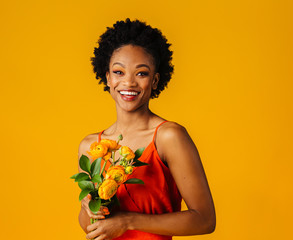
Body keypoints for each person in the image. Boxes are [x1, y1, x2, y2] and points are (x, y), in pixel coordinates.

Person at [77, 18, 216, 240]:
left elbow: (205, 219)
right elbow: (90, 228)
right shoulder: (91, 147)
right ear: (107, 77)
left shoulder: (169, 137)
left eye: (141, 73)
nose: (129, 82)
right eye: (119, 72)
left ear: (155, 80)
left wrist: (127, 221)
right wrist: (89, 207)